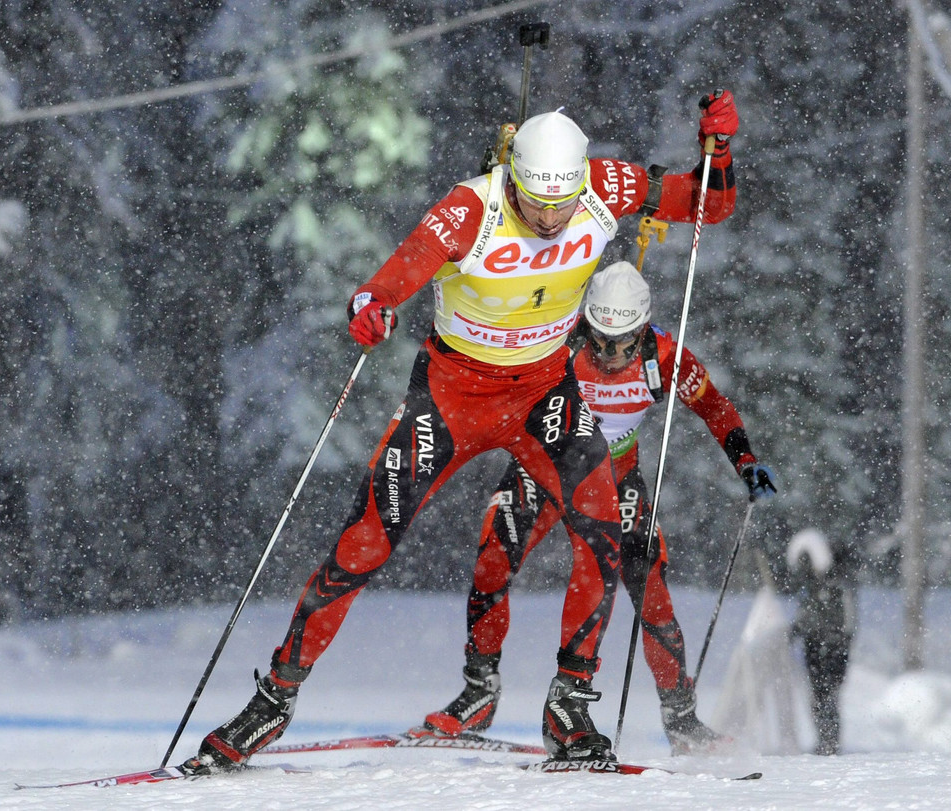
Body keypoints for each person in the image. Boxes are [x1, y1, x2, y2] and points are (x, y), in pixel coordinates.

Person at [183, 90, 741, 773]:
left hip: (543, 393)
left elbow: (709, 204)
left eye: (561, 204)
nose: (549, 216)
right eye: (535, 202)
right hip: (451, 396)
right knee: (365, 542)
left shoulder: (602, 185)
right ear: (514, 178)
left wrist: (720, 153)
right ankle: (274, 697)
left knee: (603, 526)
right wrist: (373, 305)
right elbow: (396, 273)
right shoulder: (472, 209)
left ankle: (569, 706)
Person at [422, 262, 777, 755]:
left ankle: (681, 720)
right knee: (492, 560)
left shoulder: (664, 355)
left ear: (642, 329)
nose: (609, 353)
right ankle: (479, 692)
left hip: (615, 477)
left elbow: (715, 406)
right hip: (544, 465)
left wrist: (746, 461)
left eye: (622, 341)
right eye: (599, 338)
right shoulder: (561, 340)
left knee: (649, 589)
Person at [787, 528, 857, 756]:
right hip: (817, 645)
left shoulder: (836, 584)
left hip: (831, 646)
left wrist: (841, 639)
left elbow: (846, 618)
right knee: (820, 696)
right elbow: (807, 614)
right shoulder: (817, 585)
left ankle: (830, 742)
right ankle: (826, 740)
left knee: (827, 696)